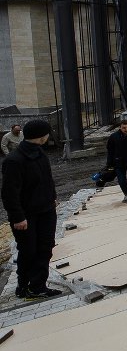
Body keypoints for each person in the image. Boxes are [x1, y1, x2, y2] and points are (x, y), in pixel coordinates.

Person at [1, 119, 60, 299]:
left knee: (45, 248)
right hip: (26, 216)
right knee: (28, 251)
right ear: (42, 137)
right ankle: (24, 286)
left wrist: (53, 197)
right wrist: (18, 217)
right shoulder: (14, 160)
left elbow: (46, 179)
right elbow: (9, 193)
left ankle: (38, 285)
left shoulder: (40, 153)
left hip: (46, 210)